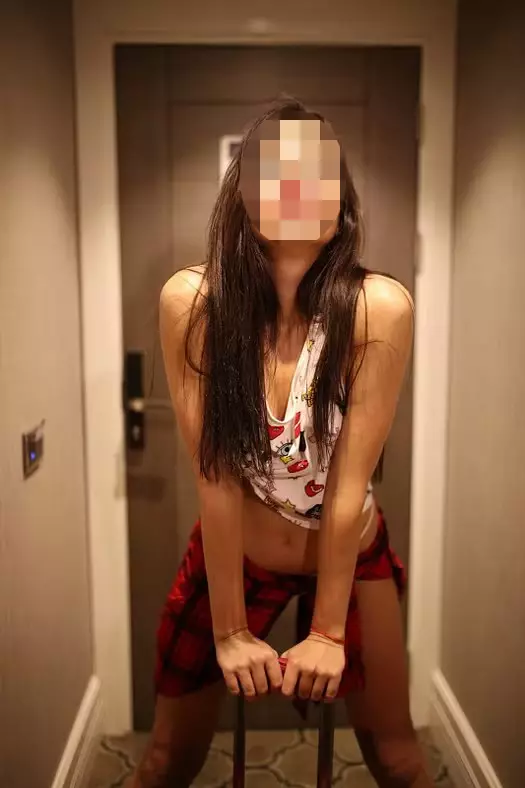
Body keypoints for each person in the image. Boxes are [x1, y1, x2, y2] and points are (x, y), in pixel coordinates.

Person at [126, 96, 433, 787]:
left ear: (340, 200)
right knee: (167, 759)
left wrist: (327, 633)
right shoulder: (194, 304)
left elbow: (347, 485)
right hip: (239, 553)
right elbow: (214, 477)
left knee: (398, 758)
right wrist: (230, 631)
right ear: (243, 194)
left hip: (351, 550)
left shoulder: (377, 309)